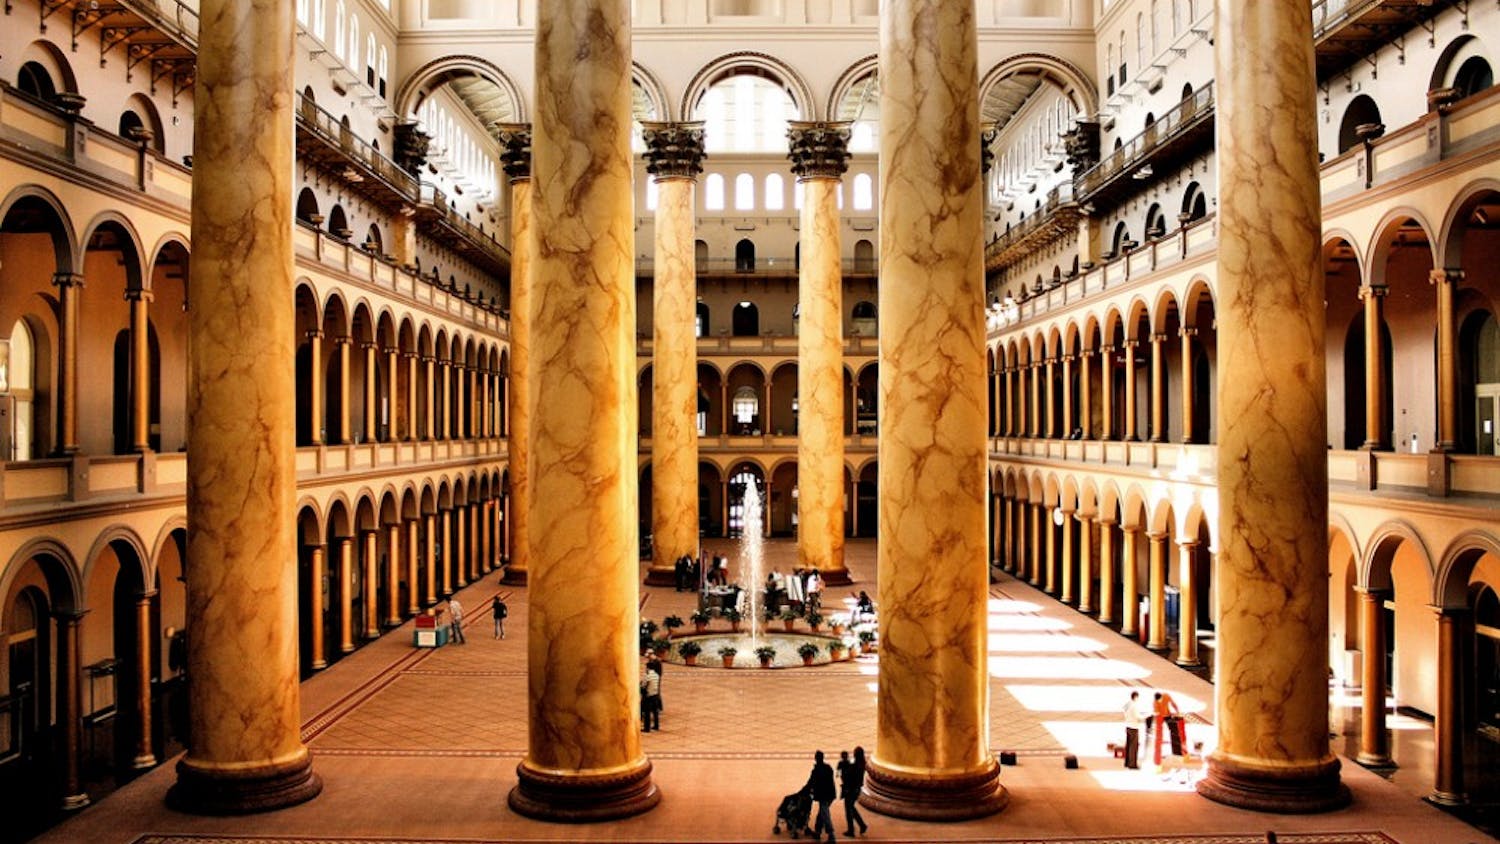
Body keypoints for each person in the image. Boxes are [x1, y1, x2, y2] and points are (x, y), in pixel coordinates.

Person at [803, 749, 837, 843]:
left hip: (824, 796)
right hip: (830, 794)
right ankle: (817, 832)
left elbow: (810, 783)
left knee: (825, 814)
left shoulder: (816, 771)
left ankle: (831, 835)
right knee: (821, 813)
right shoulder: (828, 768)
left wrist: (803, 791)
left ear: (816, 758)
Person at [837, 746, 868, 838]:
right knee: (851, 808)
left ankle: (851, 830)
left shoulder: (855, 766)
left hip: (850, 790)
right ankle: (862, 825)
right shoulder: (862, 764)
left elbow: (847, 776)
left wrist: (844, 766)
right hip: (856, 789)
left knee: (848, 810)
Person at [1152, 690, 1182, 764]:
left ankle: (1177, 752)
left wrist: (1177, 711)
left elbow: (1173, 703)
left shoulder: (1166, 696)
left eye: (1160, 700)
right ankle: (1158, 755)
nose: (1159, 702)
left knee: (1175, 731)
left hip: (1168, 715)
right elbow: (1157, 714)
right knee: (1159, 736)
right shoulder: (1155, 703)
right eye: (1158, 701)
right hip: (1160, 717)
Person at [1122, 690, 1144, 769]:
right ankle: (1132, 764)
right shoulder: (1134, 705)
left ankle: (1127, 763)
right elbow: (1138, 717)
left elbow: (1123, 709)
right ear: (1135, 697)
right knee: (1133, 747)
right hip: (1134, 727)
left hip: (1127, 726)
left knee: (1128, 745)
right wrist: (1146, 716)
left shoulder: (1128, 704)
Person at [640, 661, 661, 732]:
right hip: (656, 695)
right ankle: (656, 726)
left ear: (648, 668)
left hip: (649, 696)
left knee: (647, 712)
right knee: (655, 712)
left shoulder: (648, 676)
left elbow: (643, 685)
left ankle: (647, 728)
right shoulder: (656, 675)